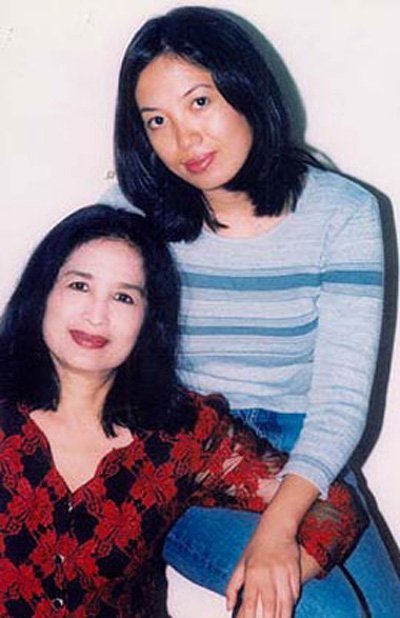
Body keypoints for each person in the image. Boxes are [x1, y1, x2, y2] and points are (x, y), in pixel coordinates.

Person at [108, 5, 400, 617]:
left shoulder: (343, 213)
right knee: (329, 610)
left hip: (303, 450)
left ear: (246, 90)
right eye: (157, 120)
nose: (184, 140)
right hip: (183, 455)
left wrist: (279, 528)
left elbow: (341, 402)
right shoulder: (129, 217)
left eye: (199, 103)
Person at [0, 205, 367, 617]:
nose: (96, 315)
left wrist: (276, 569)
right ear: (42, 292)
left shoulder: (181, 435)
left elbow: (334, 504)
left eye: (123, 297)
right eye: (79, 286)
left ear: (149, 319)